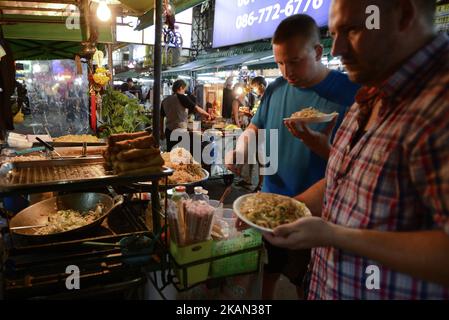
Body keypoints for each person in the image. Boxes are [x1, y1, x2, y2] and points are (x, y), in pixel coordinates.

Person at [265, 0, 449, 300]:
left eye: (352, 29)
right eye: (335, 33)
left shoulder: (438, 101)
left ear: (402, 15)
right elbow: (344, 183)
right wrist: (278, 211)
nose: (337, 49)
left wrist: (335, 235)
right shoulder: (371, 95)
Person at [226, 14, 359, 299]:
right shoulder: (275, 88)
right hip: (270, 201)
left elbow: (353, 167)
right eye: (279, 63)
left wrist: (322, 147)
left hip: (314, 212)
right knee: (268, 271)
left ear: (318, 51)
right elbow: (254, 127)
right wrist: (240, 150)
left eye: (295, 61)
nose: (287, 71)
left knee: (308, 281)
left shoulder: (349, 92)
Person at [160, 79, 212, 152]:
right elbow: (196, 108)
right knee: (182, 154)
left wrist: (161, 131)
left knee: (171, 152)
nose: (184, 91)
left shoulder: (165, 100)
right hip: (179, 132)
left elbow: (161, 117)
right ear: (181, 88)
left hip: (168, 131)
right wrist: (207, 114)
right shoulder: (181, 97)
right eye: (184, 89)